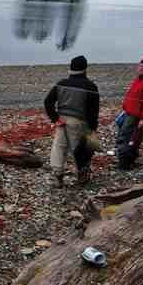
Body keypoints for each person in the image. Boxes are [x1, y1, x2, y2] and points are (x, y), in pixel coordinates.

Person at [43, 55, 99, 187]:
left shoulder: (61, 83)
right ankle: (82, 174)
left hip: (62, 120)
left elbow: (47, 102)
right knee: (81, 149)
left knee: (59, 147)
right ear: (85, 69)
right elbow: (93, 111)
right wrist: (92, 128)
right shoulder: (91, 86)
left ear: (71, 68)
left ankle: (57, 177)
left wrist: (55, 119)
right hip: (80, 122)